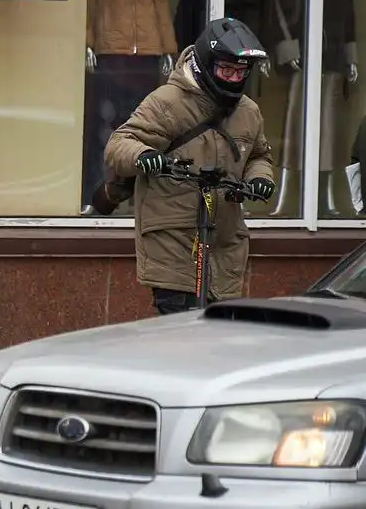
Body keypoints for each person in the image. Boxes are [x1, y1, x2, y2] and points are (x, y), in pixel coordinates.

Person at [105, 16, 277, 315]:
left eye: (241, 72)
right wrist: (144, 155)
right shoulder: (167, 101)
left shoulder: (249, 111)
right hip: (174, 239)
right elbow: (120, 143)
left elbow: (259, 155)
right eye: (227, 70)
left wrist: (260, 177)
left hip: (223, 241)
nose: (234, 79)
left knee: (217, 340)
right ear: (206, 64)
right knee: (178, 336)